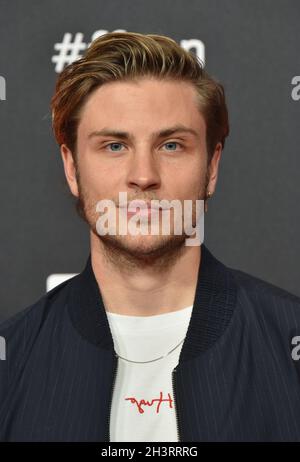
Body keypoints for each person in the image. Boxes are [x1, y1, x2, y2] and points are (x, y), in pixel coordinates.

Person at [1, 31, 300, 442]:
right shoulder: (11, 360)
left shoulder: (288, 343)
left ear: (211, 167)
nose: (143, 175)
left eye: (172, 145)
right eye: (114, 146)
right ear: (71, 168)